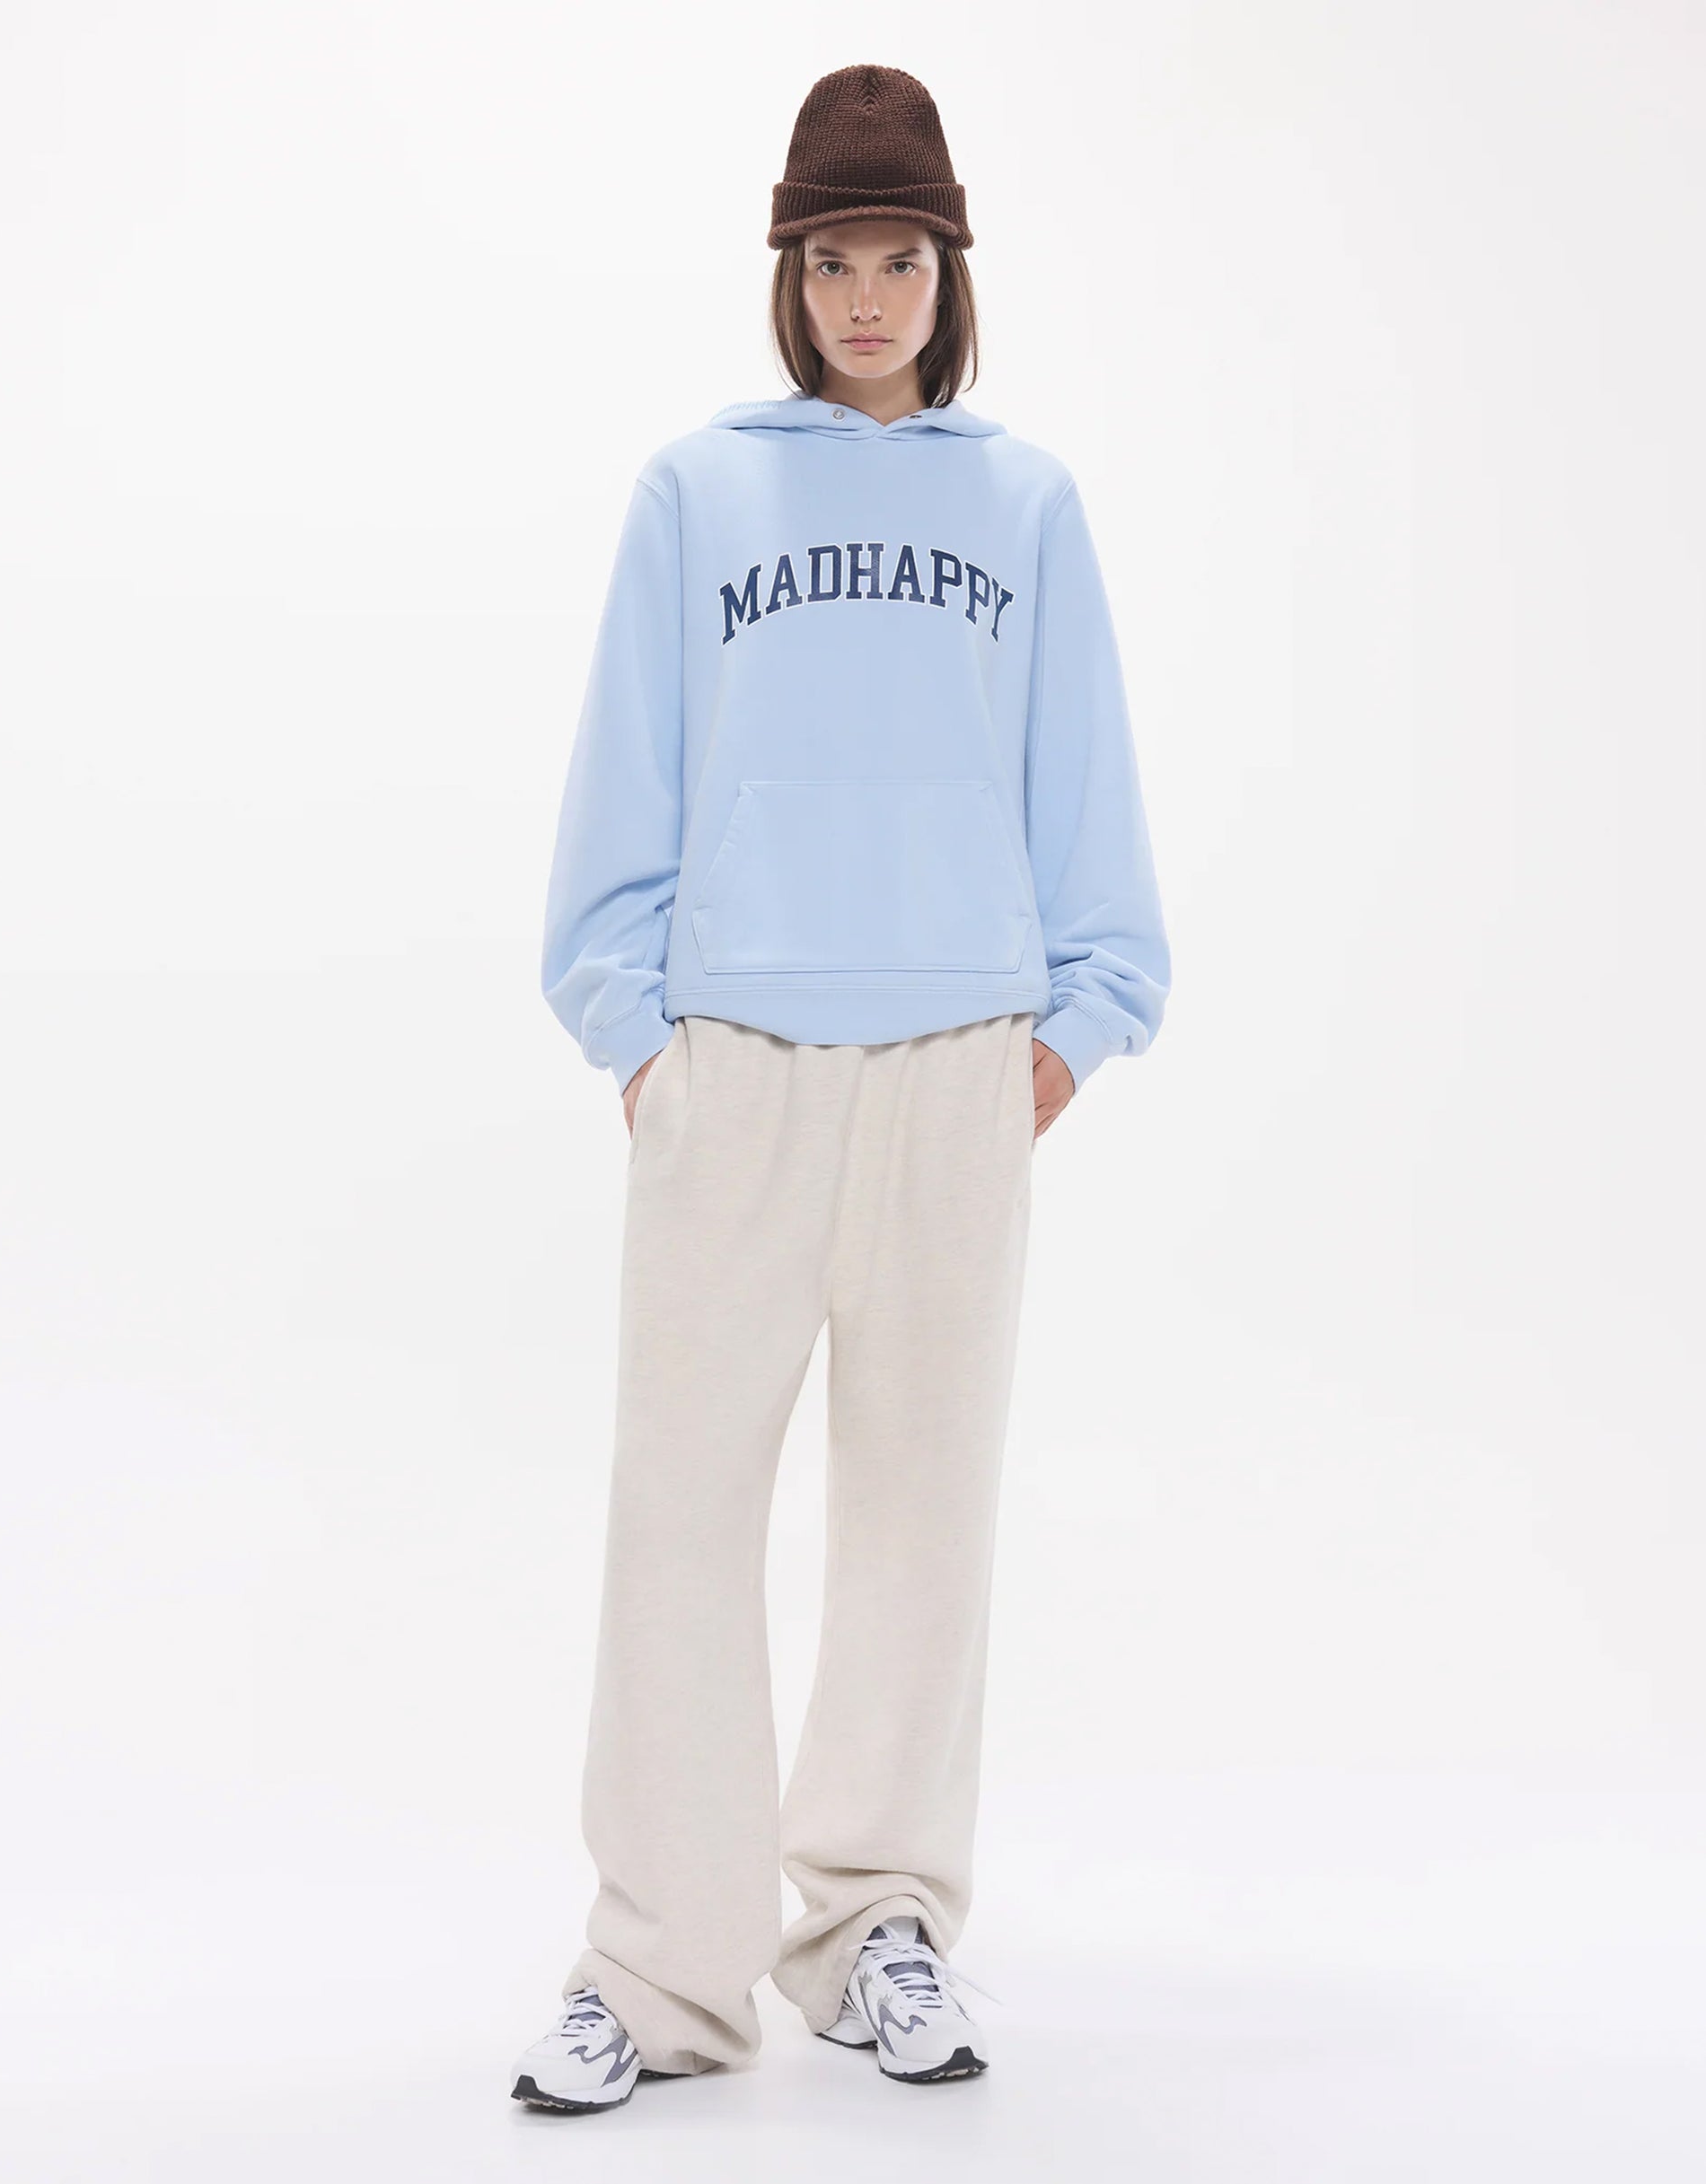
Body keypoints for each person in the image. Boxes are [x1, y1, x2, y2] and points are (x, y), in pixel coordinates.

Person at [510, 63, 1170, 2115]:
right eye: (830, 262)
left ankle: (877, 1919)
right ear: (785, 279)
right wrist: (639, 1033)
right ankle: (660, 1965)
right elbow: (625, 775)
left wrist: (1075, 1023)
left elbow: (1083, 778)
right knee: (679, 1520)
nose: (865, 298)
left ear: (948, 277)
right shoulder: (696, 492)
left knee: (917, 1522)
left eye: (898, 261)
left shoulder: (1024, 501)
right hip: (735, 1067)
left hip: (961, 1070)